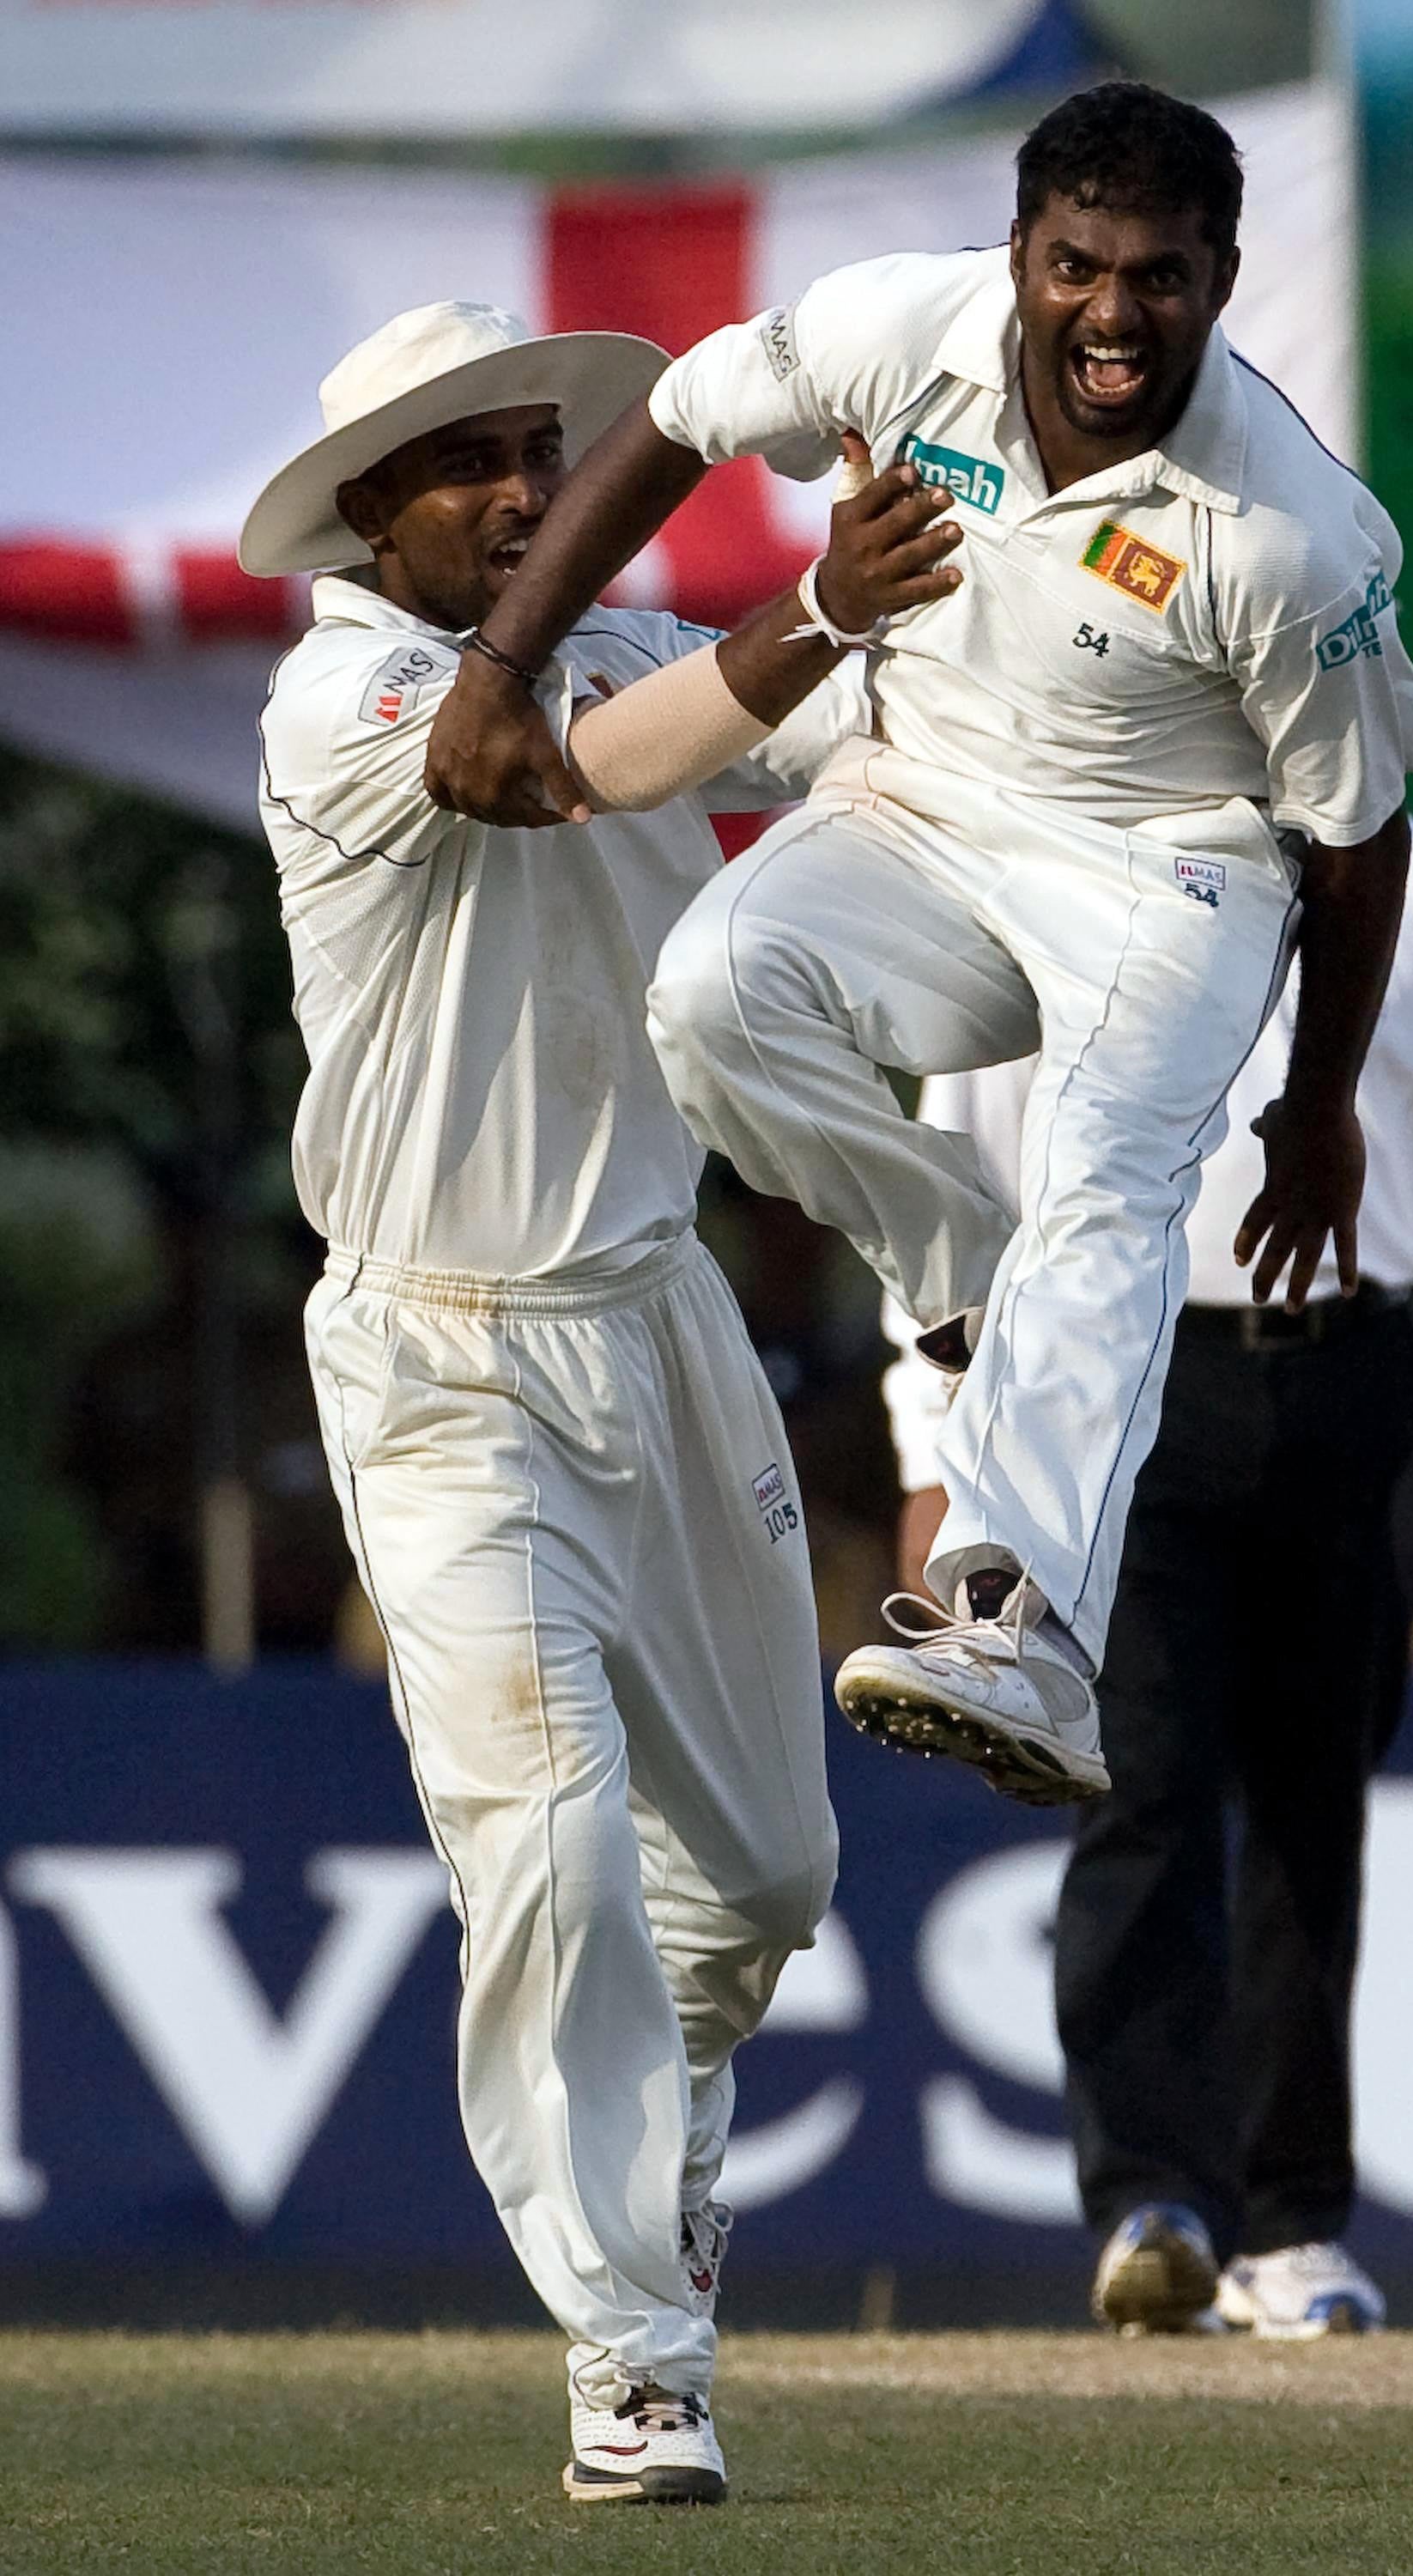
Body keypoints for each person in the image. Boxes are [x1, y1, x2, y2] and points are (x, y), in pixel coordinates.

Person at [418, 82, 1413, 1811]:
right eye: (1077, 264)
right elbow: (672, 420)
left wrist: (1318, 1107)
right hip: (917, 792)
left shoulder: (1293, 532)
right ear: (1021, 253)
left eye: (1161, 275)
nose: (1114, 312)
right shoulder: (898, 328)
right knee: (715, 998)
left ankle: (1024, 1630)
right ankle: (960, 1261)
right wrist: (497, 669)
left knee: (1114, 1168)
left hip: (1171, 865)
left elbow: (1352, 835)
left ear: (1225, 273)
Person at [239, 299, 959, 2503]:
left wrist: (958, 662)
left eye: (542, 454)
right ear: (374, 509)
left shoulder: (635, 637)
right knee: (544, 1838)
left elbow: (840, 763)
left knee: (757, 1882)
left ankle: (669, 2156)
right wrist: (808, 612)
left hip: (655, 1315)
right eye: (474, 465)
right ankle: (634, 2360)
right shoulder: (341, 694)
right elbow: (535, 775)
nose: (528, 491)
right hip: (438, 1351)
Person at [882, 818, 1413, 2336]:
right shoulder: (1060, 879)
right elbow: (944, 1185)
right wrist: (931, 1454)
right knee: (1132, 1784)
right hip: (1118, 1377)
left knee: (1312, 1799)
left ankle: (1290, 2227)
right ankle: (1151, 2205)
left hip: (1357, 1369)